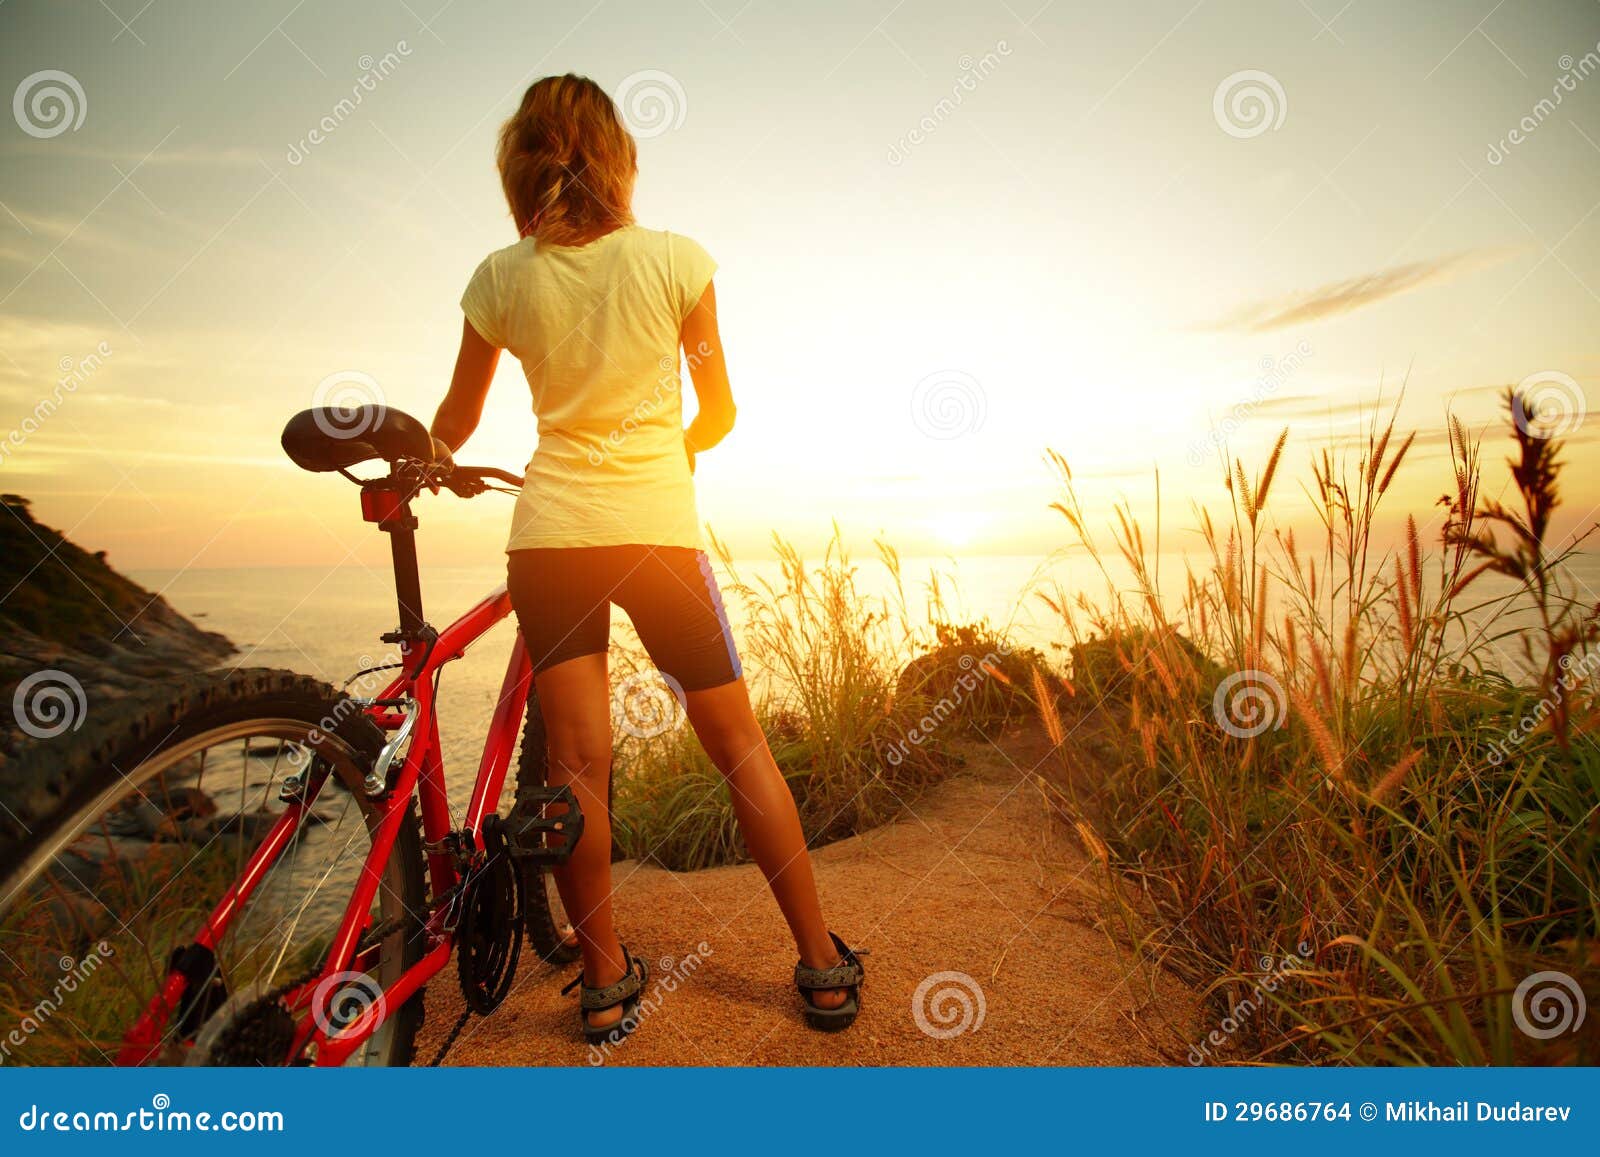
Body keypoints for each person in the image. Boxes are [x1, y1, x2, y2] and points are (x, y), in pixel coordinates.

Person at [428, 74, 863, 1046]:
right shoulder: (677, 261)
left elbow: (453, 424)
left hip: (550, 542)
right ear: (618, 158)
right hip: (657, 537)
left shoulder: (500, 277)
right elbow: (718, 410)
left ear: (520, 165)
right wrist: (668, 449)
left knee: (580, 768)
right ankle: (821, 962)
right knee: (739, 746)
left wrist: (429, 457)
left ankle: (604, 979)